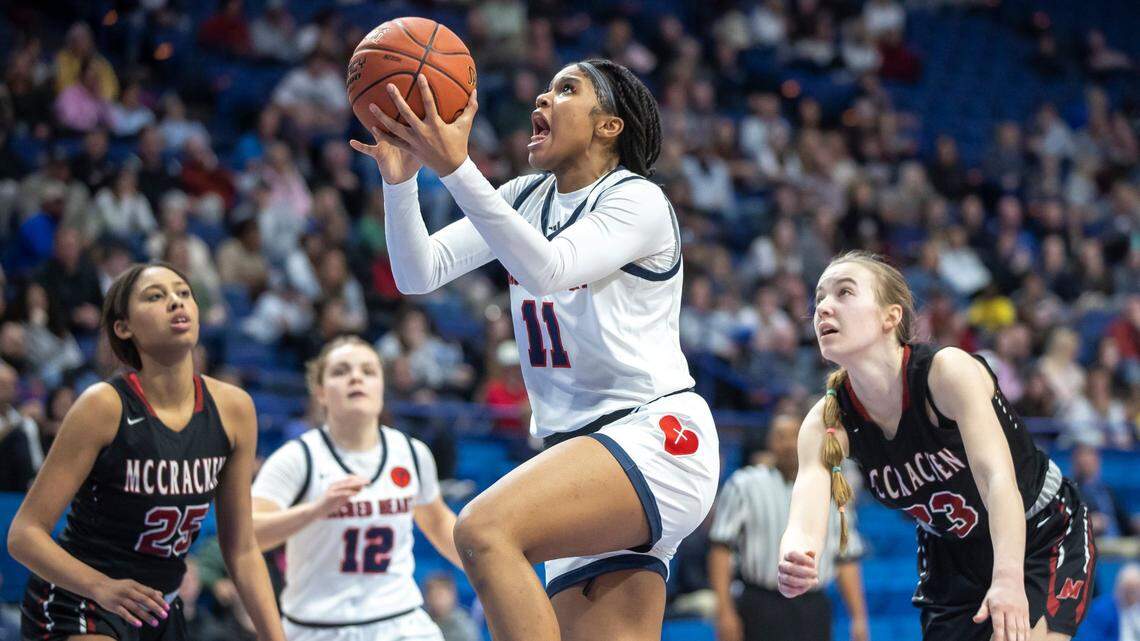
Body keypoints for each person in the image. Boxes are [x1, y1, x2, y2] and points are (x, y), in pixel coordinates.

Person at [351, 58, 719, 641]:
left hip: (653, 435)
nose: (542, 100)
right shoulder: (524, 197)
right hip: (578, 458)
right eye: (544, 89)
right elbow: (418, 273)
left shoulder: (638, 200)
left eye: (566, 90)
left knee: (483, 530)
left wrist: (457, 168)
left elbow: (550, 268)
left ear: (608, 126)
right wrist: (400, 183)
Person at [778, 251, 1097, 641]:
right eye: (819, 298)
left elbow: (998, 480)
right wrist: (796, 555)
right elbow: (805, 514)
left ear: (890, 317)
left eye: (844, 292)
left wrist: (1008, 578)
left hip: (1038, 529)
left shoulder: (946, 373)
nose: (824, 307)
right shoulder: (825, 420)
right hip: (949, 554)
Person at [6, 262, 285, 641]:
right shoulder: (103, 406)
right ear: (124, 327)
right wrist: (101, 586)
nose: (176, 302)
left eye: (183, 293)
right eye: (155, 296)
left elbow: (242, 549)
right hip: (82, 599)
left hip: (159, 606)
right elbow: (24, 534)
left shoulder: (235, 408)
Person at [251, 335, 461, 640]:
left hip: (401, 621)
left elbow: (439, 523)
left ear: (382, 386)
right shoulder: (298, 458)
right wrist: (316, 510)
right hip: (318, 626)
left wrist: (489, 567)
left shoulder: (412, 452)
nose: (356, 378)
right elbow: (250, 535)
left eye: (368, 371)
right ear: (320, 392)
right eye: (341, 371)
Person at [708, 413, 870, 641]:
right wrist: (724, 611)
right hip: (760, 603)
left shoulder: (832, 489)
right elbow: (720, 549)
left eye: (795, 435)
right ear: (769, 441)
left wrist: (859, 617)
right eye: (780, 436)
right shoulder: (744, 484)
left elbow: (846, 558)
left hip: (813, 607)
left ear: (806, 438)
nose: (788, 444)